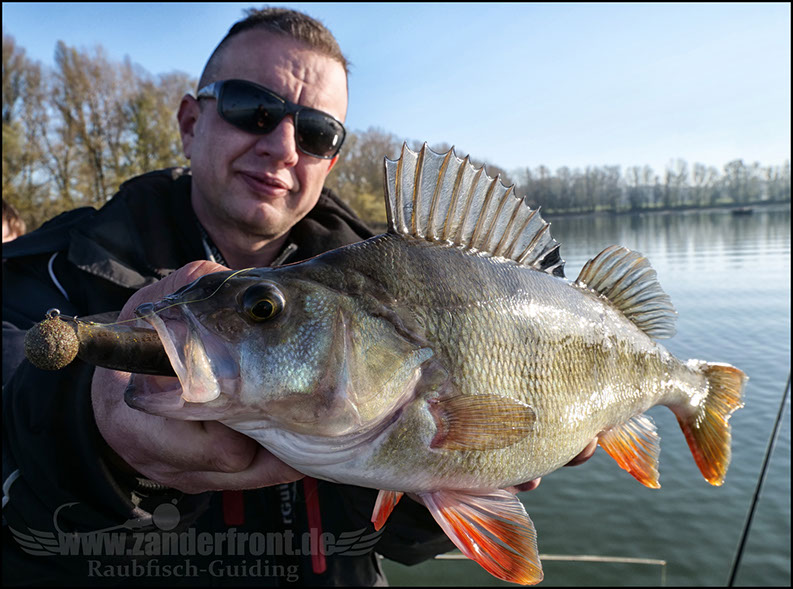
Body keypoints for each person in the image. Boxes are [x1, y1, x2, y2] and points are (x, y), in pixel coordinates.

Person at [2, 7, 596, 586]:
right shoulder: (40, 275)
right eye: (252, 109)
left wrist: (442, 478)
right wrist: (91, 441)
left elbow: (401, 545)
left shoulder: (393, 281)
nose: (284, 147)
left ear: (330, 161)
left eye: (316, 133)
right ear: (189, 122)